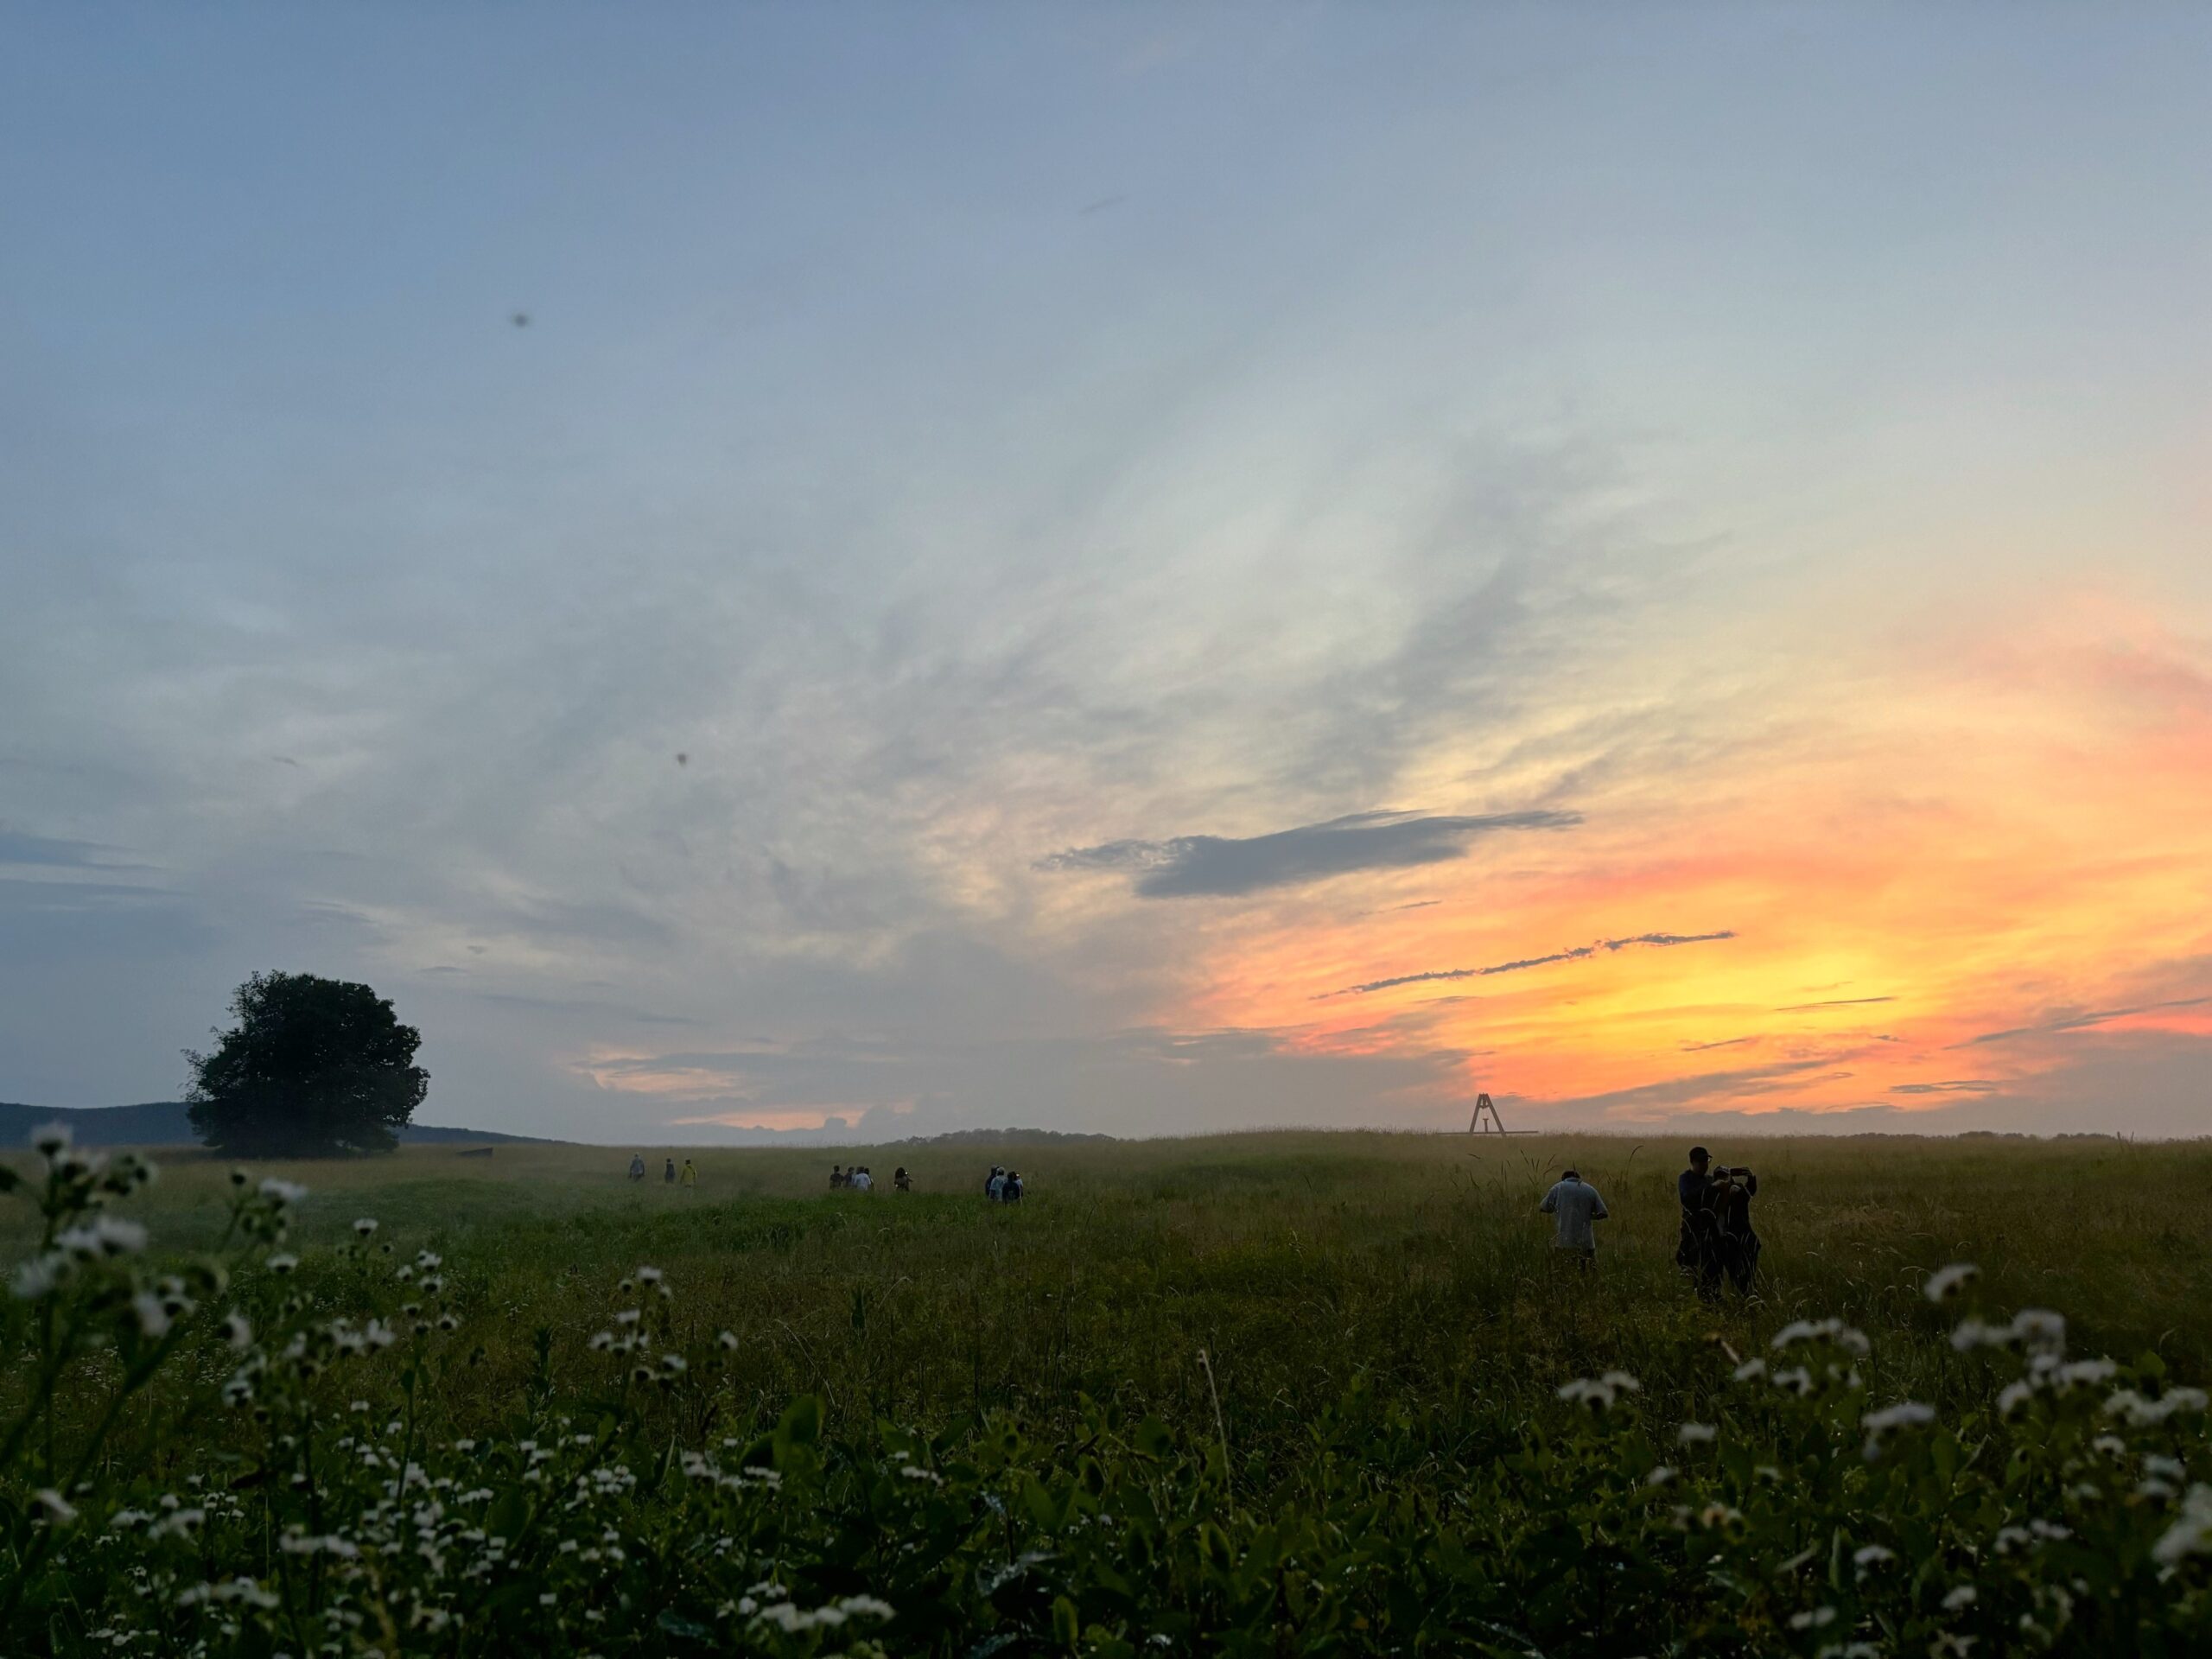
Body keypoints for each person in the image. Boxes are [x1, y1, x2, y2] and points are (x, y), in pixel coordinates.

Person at [1537, 1166, 1608, 1268]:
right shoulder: (1590, 1189)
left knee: (1564, 1272)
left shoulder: (1558, 1188)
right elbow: (1604, 1213)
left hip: (1564, 1242)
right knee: (1586, 1273)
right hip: (1587, 1242)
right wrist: (1589, 1216)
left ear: (1563, 1178)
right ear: (1579, 1178)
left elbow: (1543, 1207)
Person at [1676, 1147, 1723, 1300]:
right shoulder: (1686, 1179)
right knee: (1696, 1266)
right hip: (1694, 1231)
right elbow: (1687, 1198)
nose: (1705, 1164)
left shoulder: (1710, 1180)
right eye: (1701, 1161)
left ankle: (1713, 1295)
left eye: (1707, 1160)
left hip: (1712, 1231)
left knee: (1714, 1269)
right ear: (1692, 1162)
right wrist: (1711, 1187)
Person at [1708, 1162, 1761, 1294]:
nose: (1723, 1182)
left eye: (1725, 1177)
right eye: (1720, 1178)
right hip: (1726, 1243)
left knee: (1744, 1278)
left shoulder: (1736, 1192)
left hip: (1743, 1242)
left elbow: (1748, 1192)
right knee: (1731, 1278)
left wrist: (1750, 1177)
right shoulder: (1712, 1197)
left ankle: (1749, 1301)